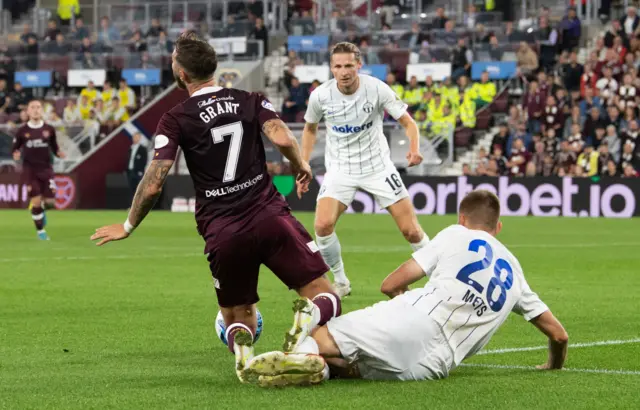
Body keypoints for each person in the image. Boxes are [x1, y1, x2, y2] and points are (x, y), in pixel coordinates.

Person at [89, 31, 341, 383]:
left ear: (182, 74)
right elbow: (282, 136)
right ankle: (307, 320)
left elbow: (155, 180)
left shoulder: (175, 118)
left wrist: (128, 225)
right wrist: (299, 164)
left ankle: (242, 348)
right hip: (269, 216)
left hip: (223, 230)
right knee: (324, 294)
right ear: (214, 67)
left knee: (238, 316)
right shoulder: (249, 99)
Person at [246, 190, 568, 386]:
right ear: (497, 227)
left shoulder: (456, 234)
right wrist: (552, 365)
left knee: (320, 337)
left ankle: (301, 355)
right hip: (437, 365)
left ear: (462, 218)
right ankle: (320, 371)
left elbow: (391, 284)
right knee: (353, 369)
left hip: (416, 318)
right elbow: (558, 335)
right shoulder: (516, 273)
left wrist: (401, 306)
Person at [300, 42, 429, 298]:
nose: (344, 71)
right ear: (331, 68)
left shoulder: (377, 89)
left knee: (411, 230)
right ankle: (341, 281)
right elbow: (310, 128)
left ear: (359, 65)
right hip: (340, 169)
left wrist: (414, 149)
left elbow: (408, 122)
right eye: (338, 66)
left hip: (377, 167)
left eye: (349, 65)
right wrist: (303, 164)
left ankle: (442, 277)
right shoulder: (321, 96)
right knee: (323, 225)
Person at [12, 100, 66, 240]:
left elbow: (54, 147)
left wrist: (58, 153)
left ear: (42, 110)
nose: (36, 110)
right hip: (30, 170)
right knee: (36, 201)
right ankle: (41, 232)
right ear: (28, 111)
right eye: (32, 107)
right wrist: (16, 153)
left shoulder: (49, 129)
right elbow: (15, 147)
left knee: (50, 203)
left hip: (46, 169)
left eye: (38, 107)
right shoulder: (22, 131)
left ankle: (41, 211)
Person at [127, 133, 148, 199]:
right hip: (130, 171)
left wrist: (140, 171)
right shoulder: (130, 148)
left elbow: (144, 161)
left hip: (138, 172)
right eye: (134, 137)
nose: (135, 139)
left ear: (139, 138)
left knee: (139, 190)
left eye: (136, 137)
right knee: (131, 189)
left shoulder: (142, 149)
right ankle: (131, 206)